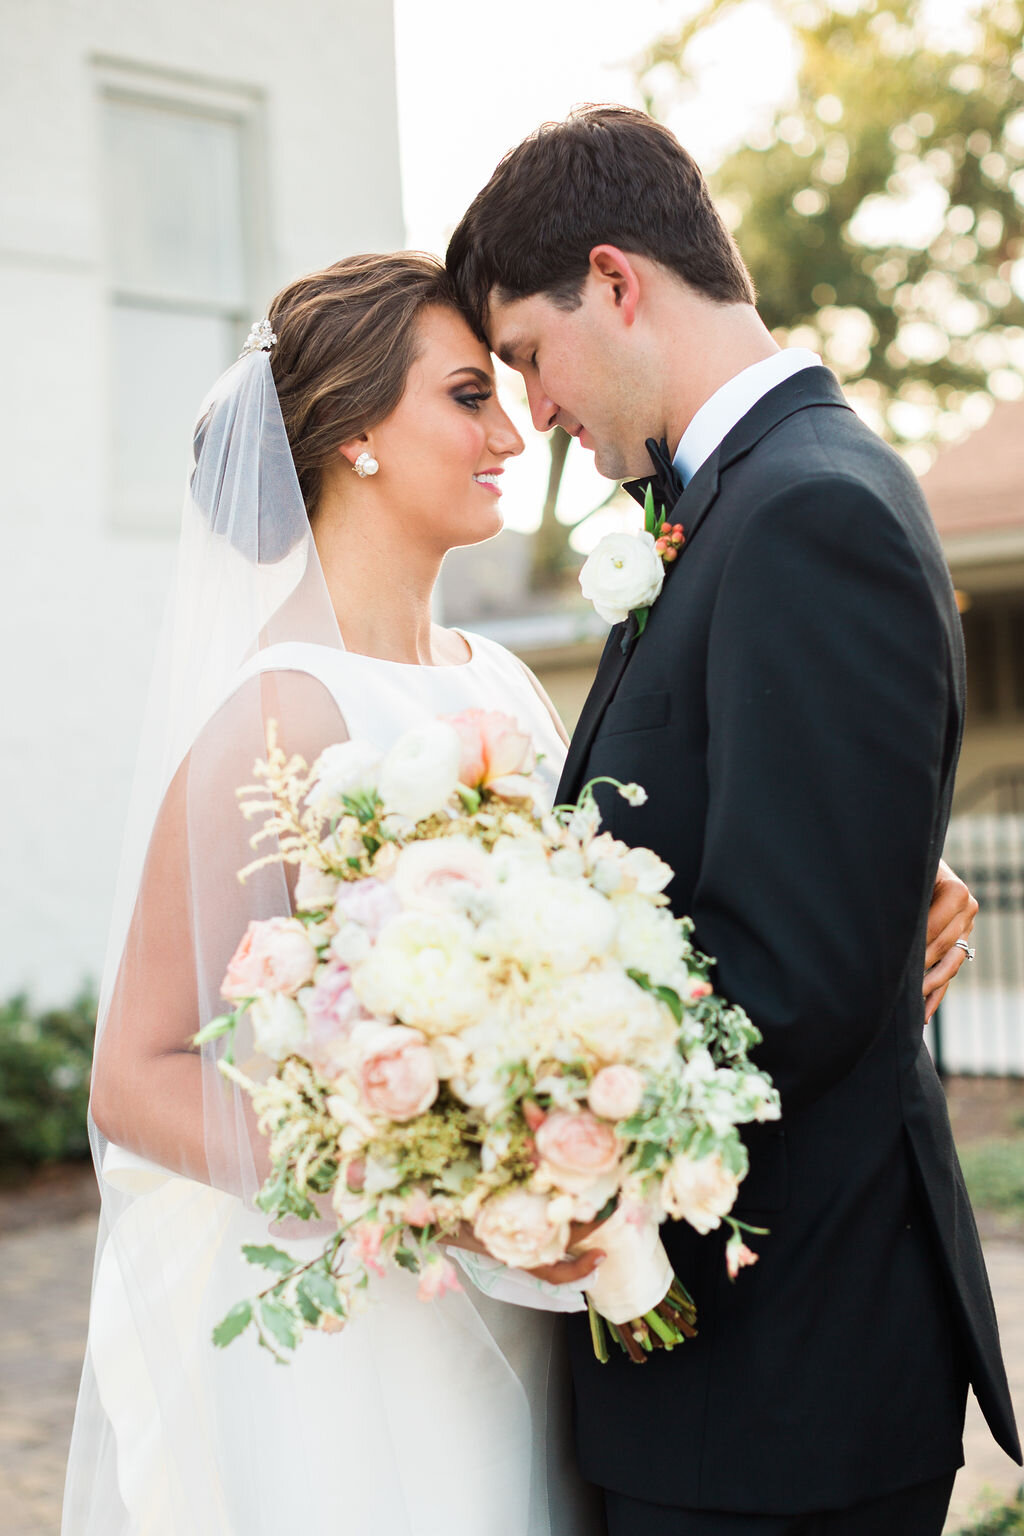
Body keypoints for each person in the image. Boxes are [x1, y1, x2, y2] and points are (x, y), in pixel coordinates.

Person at [445, 104, 1018, 1536]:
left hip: (786, 1383)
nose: (539, 414)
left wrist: (517, 1108)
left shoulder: (804, 511)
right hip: (735, 1383)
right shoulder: (740, 508)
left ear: (618, 281)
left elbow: (794, 974)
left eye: (528, 355)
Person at [63, 252, 603, 1536]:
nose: (514, 428)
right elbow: (133, 1077)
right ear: (355, 431)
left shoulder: (504, 686)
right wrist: (433, 1189)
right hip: (356, 1334)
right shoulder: (277, 709)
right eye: (469, 394)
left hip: (527, 1298)